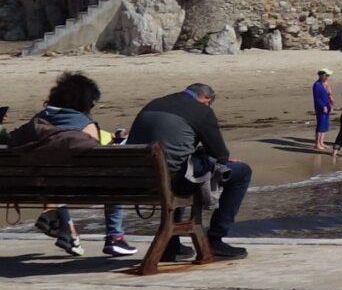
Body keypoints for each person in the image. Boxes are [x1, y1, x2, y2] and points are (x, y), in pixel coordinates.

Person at [7, 74, 136, 258]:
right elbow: (100, 163)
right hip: (85, 187)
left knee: (54, 181)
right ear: (83, 102)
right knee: (115, 181)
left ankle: (63, 223)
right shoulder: (85, 124)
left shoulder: (36, 122)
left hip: (38, 186)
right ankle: (115, 236)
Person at [127, 83, 251, 261]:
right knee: (242, 173)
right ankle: (215, 238)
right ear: (207, 99)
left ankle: (171, 243)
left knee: (177, 165)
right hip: (172, 181)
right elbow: (220, 154)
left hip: (138, 180)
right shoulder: (201, 111)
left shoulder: (154, 103)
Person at [309, 69, 334, 153]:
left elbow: (329, 95)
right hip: (320, 107)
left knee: (325, 124)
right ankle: (317, 143)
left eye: (328, 76)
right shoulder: (317, 85)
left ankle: (321, 142)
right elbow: (317, 98)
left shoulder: (325, 84)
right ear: (321, 75)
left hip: (327, 106)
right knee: (320, 125)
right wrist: (323, 106)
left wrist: (330, 104)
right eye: (326, 75)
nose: (327, 77)